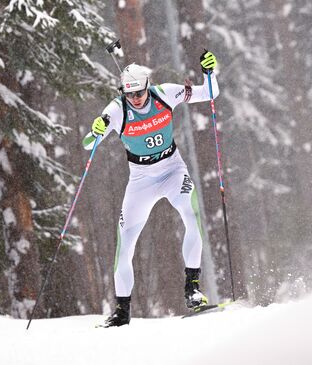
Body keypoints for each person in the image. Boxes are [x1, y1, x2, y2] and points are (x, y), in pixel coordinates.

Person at [82, 51, 219, 327]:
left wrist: (209, 73)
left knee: (193, 219)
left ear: (147, 86)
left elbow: (210, 93)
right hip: (141, 181)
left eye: (139, 93)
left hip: (172, 169)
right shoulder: (116, 110)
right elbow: (88, 145)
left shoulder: (166, 93)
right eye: (130, 94)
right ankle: (122, 312)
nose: (135, 99)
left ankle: (192, 289)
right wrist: (95, 131)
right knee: (125, 247)